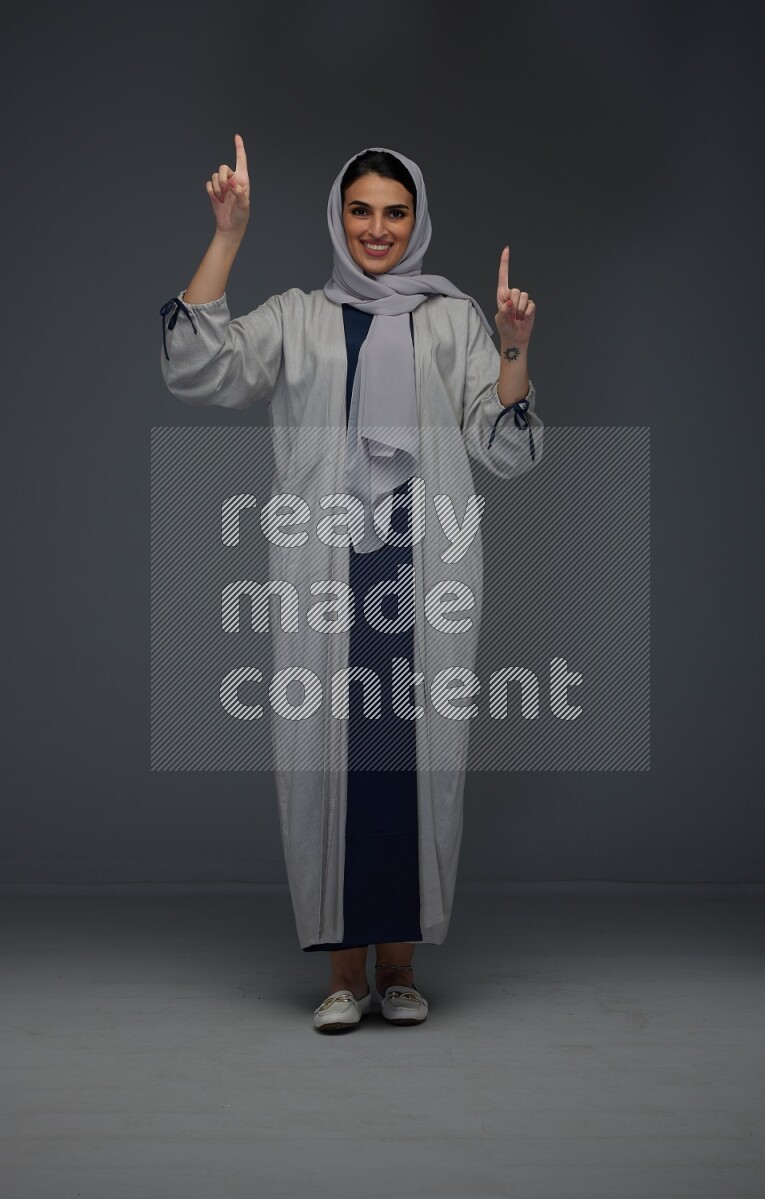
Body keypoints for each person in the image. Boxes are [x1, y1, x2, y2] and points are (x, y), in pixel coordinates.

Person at [159, 135, 543, 1033]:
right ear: (338, 217)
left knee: (414, 762)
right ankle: (341, 973)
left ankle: (400, 966)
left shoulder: (450, 321)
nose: (377, 228)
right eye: (361, 210)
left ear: (417, 221)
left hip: (425, 569)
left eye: (394, 213)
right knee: (325, 758)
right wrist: (227, 236)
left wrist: (513, 347)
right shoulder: (298, 318)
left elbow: (505, 447)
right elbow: (197, 367)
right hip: (326, 572)